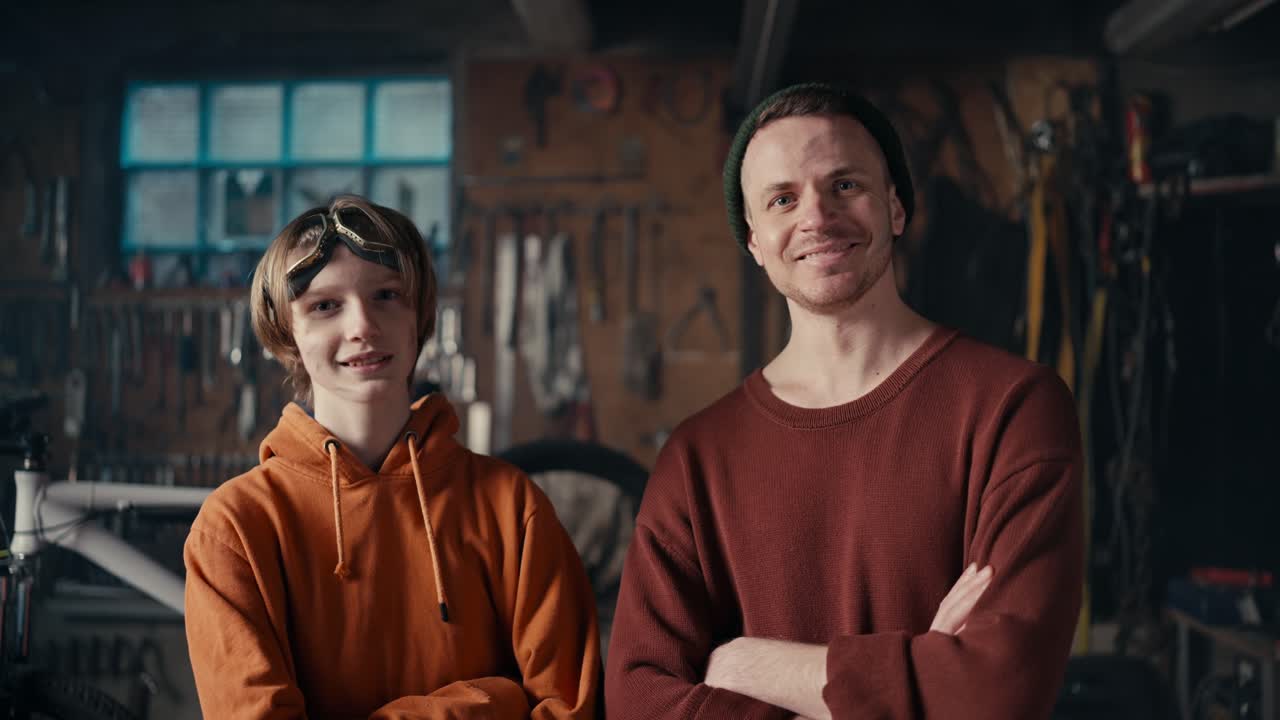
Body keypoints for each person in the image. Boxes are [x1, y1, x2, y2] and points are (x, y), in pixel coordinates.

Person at [604, 83, 1084, 719]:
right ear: (754, 242)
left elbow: (998, 692)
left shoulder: (1014, 410)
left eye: (845, 186)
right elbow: (640, 701)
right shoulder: (696, 459)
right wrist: (912, 676)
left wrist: (753, 663)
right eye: (782, 199)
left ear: (895, 207)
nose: (817, 217)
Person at [184, 195, 600, 719]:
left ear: (417, 316)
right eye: (325, 305)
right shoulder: (235, 529)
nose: (362, 325)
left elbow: (571, 709)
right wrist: (491, 704)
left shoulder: (511, 507)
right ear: (287, 334)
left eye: (386, 295)